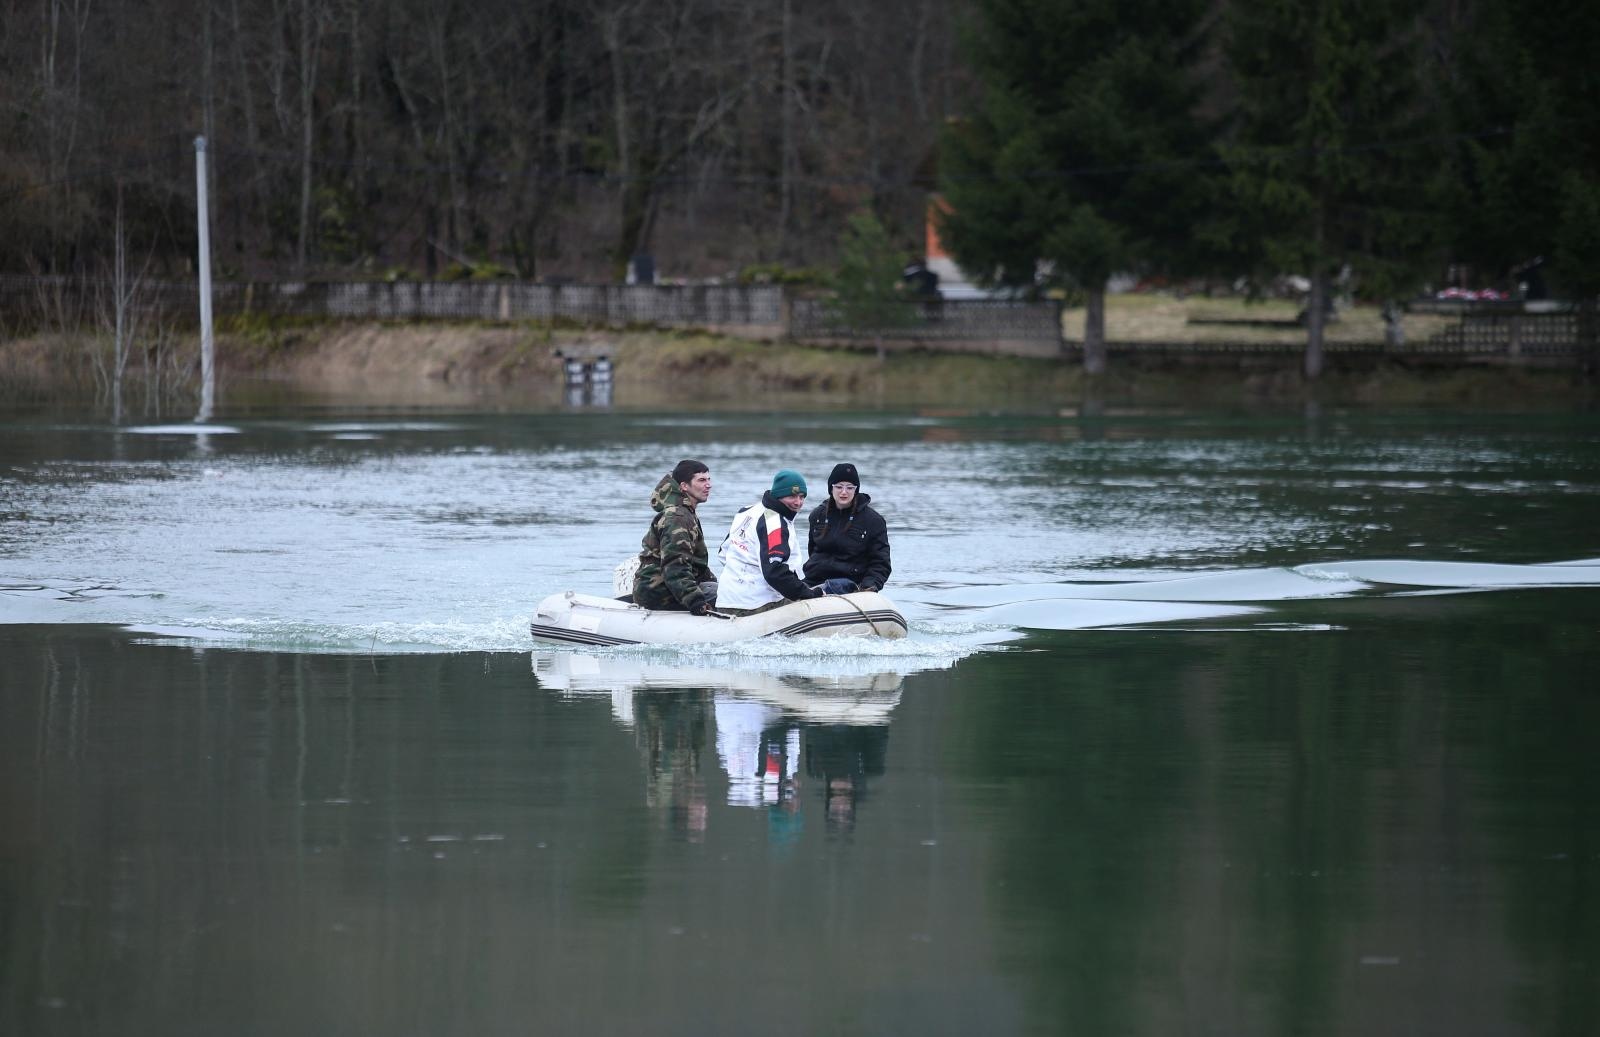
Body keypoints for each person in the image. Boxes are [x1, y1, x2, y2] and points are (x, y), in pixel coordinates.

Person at [716, 469, 824, 612]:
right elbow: (775, 572)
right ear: (779, 495)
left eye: (802, 496)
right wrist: (807, 593)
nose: (798, 502)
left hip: (725, 600)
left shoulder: (745, 511)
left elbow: (723, 553)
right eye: (792, 496)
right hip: (756, 605)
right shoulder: (774, 521)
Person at [633, 459, 717, 614]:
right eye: (701, 480)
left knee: (726, 591)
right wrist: (696, 601)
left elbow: (696, 564)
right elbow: (675, 566)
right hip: (658, 592)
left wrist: (715, 582)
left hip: (668, 587)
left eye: (709, 479)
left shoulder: (686, 513)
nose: (708, 485)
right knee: (725, 597)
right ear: (684, 486)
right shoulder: (677, 517)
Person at [803, 462, 891, 595]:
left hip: (851, 585)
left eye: (849, 488)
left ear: (856, 489)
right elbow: (812, 551)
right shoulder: (817, 515)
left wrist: (868, 587)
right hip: (814, 581)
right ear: (831, 488)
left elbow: (881, 563)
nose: (844, 492)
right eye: (839, 487)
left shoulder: (874, 521)